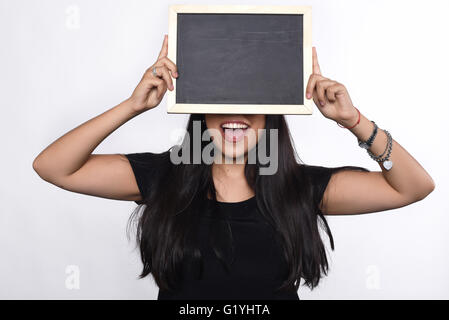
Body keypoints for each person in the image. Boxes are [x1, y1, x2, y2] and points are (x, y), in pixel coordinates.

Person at [32, 34, 435, 300]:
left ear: (273, 111)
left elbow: (413, 187)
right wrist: (132, 106)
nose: (235, 114)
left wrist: (355, 122)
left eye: (252, 100)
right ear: (199, 108)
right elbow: (53, 167)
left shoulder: (302, 187)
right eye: (223, 97)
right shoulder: (163, 177)